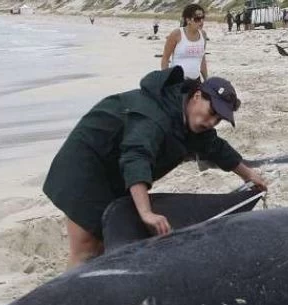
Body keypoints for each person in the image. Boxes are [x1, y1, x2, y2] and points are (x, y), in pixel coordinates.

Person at [42, 69, 268, 266]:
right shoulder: (155, 116)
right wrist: (146, 212)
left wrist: (249, 175)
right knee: (86, 248)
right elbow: (136, 156)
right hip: (84, 164)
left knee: (109, 238)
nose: (210, 123)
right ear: (197, 95)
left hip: (114, 172)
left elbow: (215, 147)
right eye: (211, 113)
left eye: (218, 120)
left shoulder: (188, 118)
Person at [162, 4, 209, 82]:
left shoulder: (203, 35)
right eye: (197, 19)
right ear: (188, 20)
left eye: (203, 18)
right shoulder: (177, 34)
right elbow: (165, 59)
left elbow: (202, 60)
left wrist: (207, 80)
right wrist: (165, 80)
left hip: (196, 81)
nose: (201, 21)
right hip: (177, 81)